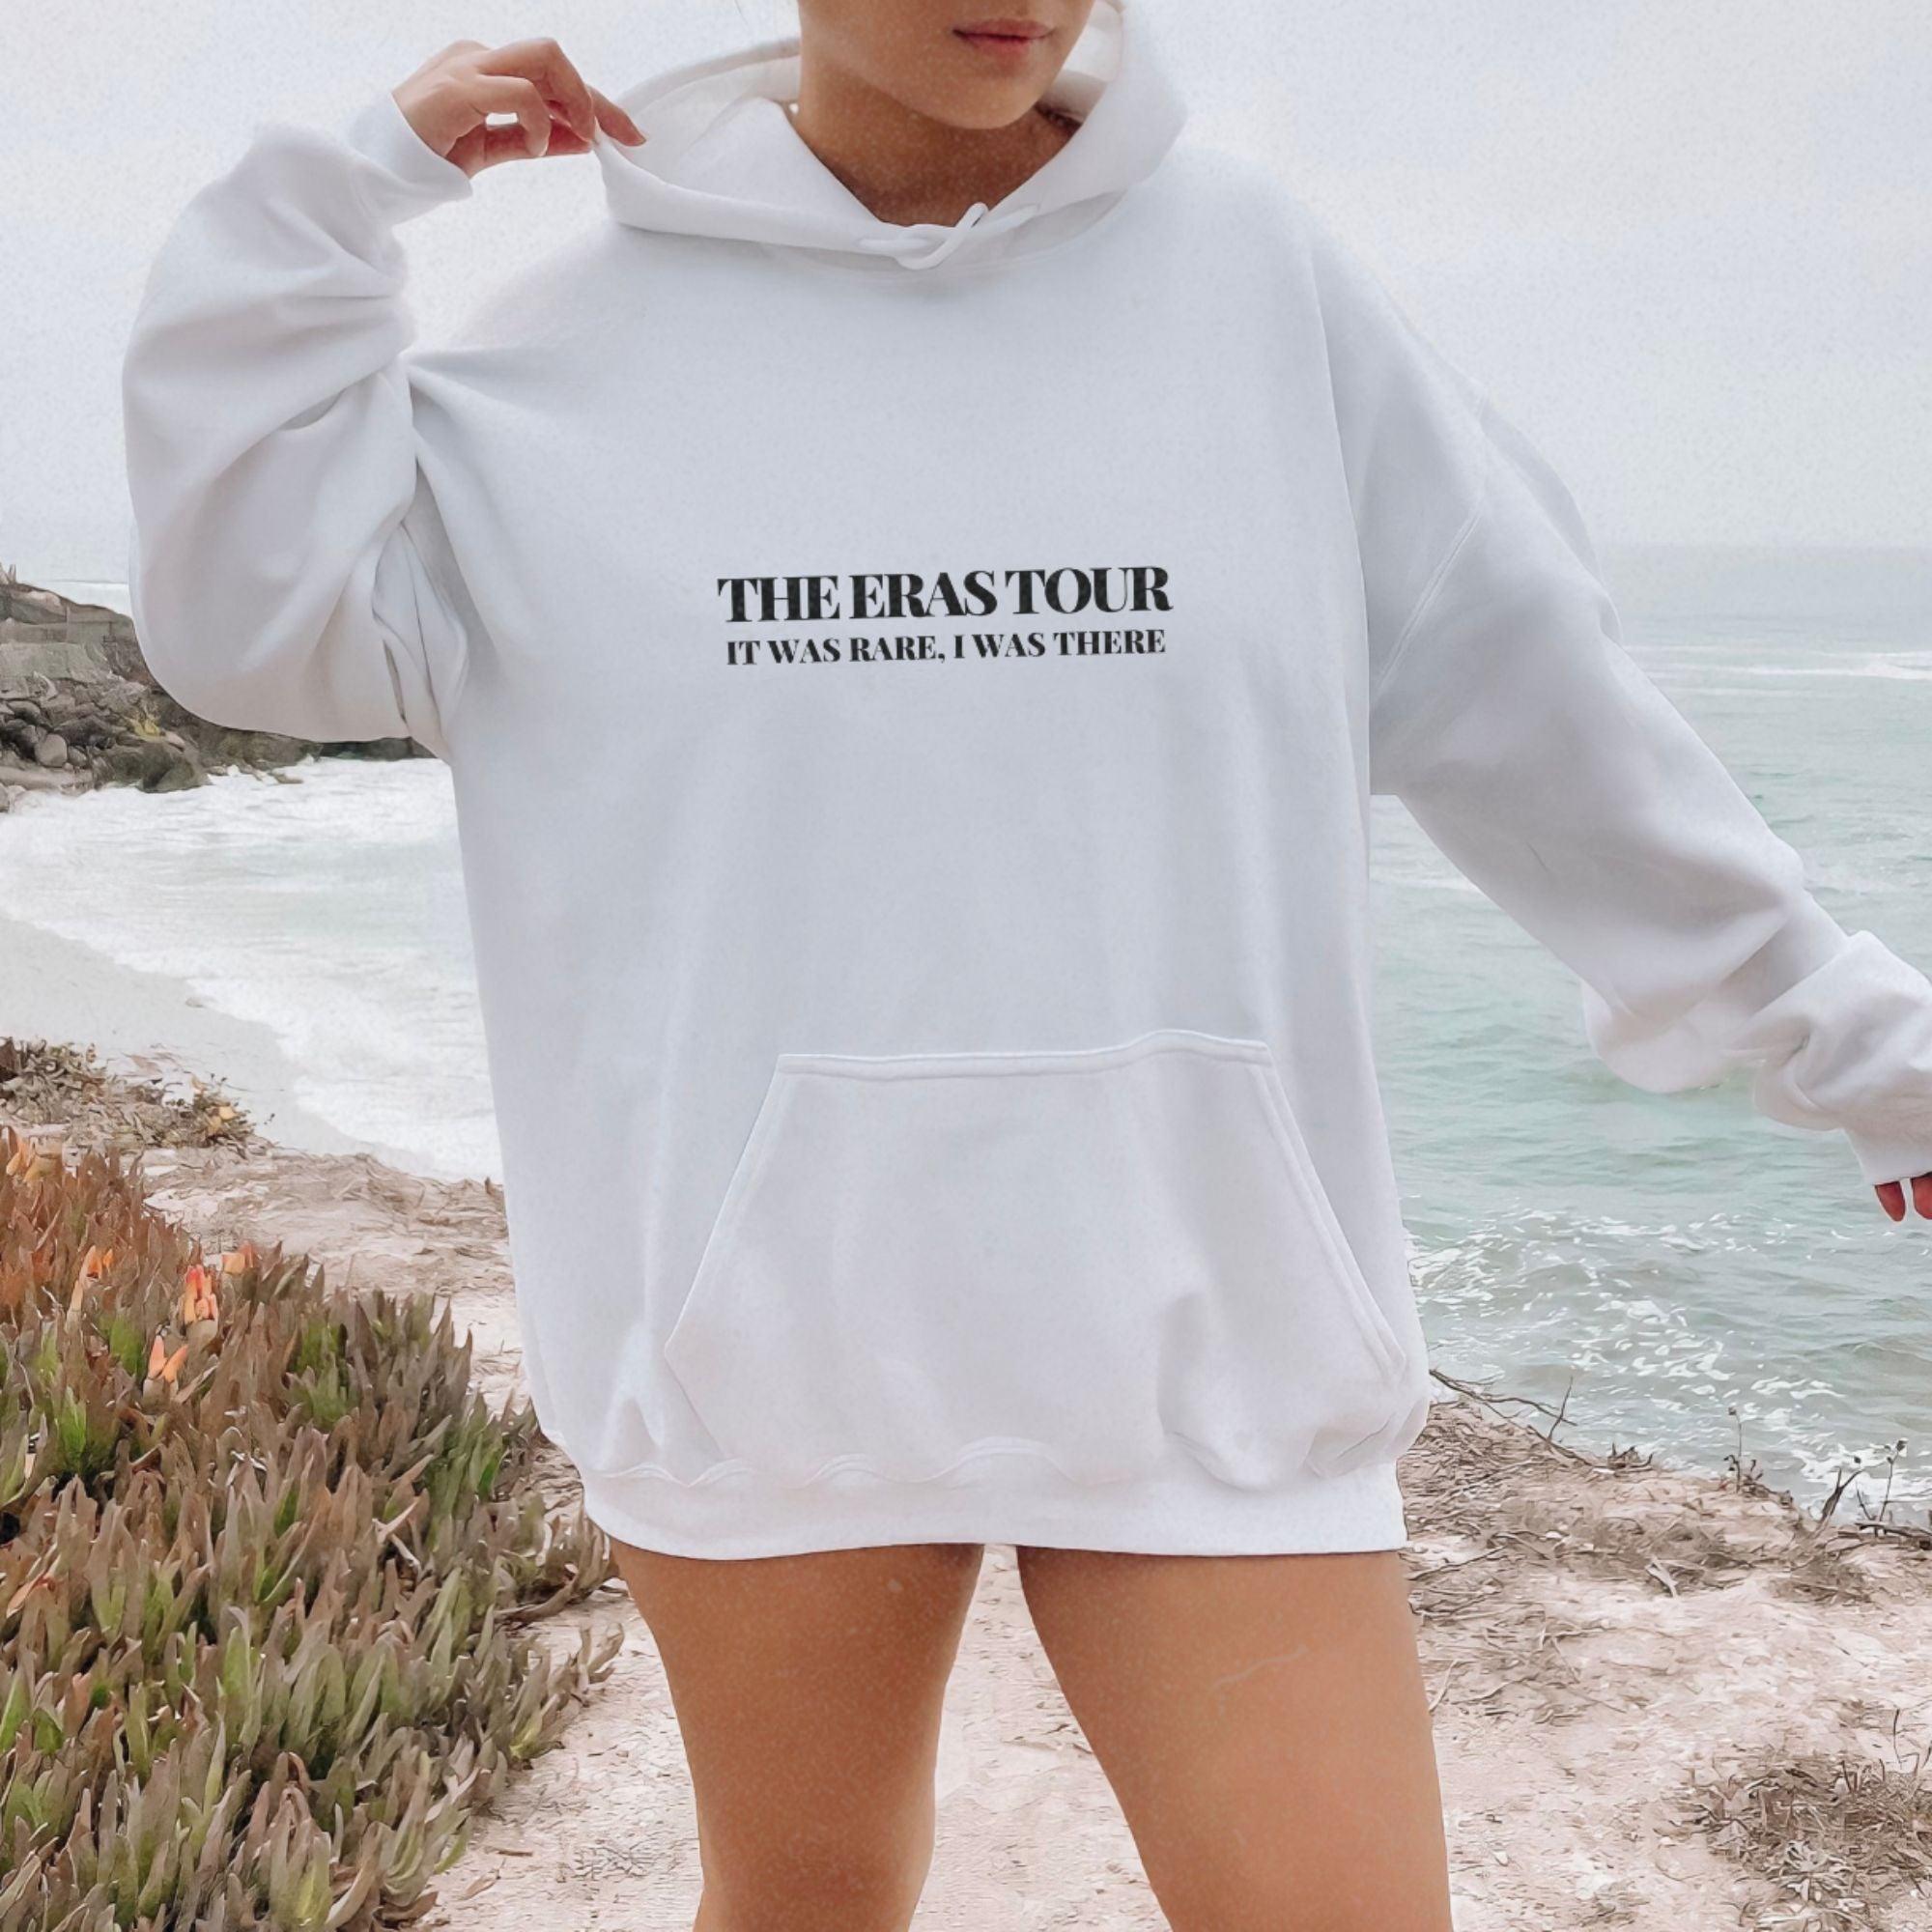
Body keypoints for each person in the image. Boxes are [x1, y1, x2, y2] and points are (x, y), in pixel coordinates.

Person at [120, 2, 1932, 1924]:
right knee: (808, 1898)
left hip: (1209, 1320)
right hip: (767, 1340)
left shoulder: (1257, 292)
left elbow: (1539, 705)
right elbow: (251, 631)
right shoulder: (559, 371)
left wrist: (1847, 1038)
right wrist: (335, 197)